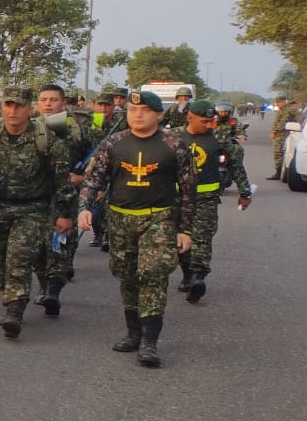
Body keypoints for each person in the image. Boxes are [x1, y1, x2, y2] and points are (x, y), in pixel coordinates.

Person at [76, 88, 196, 368]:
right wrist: (84, 207)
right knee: (127, 274)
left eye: (144, 111)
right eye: (132, 110)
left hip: (159, 218)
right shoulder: (113, 143)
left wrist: (185, 229)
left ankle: (150, 342)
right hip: (120, 219)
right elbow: (94, 179)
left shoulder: (173, 145)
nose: (137, 115)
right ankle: (133, 332)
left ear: (158, 114)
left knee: (152, 273)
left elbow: (189, 192)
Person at [0, 86, 74, 339]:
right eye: (8, 105)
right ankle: (11, 298)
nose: (13, 111)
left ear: (29, 109)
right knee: (1, 259)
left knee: (19, 256)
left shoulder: (45, 138)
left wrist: (64, 214)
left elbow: (62, 181)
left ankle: (15, 311)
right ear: (1, 107)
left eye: (19, 106)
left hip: (32, 208)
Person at [178, 100, 252, 302]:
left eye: (213, 121)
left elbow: (236, 165)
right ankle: (187, 273)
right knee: (179, 239)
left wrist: (245, 193)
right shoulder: (173, 136)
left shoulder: (220, 137)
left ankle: (197, 277)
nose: (211, 125)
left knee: (202, 238)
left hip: (206, 199)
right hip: (177, 199)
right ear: (190, 117)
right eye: (205, 121)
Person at [34, 82, 92, 315]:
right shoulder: (29, 128)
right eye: (44, 100)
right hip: (36, 198)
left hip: (65, 198)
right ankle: (43, 285)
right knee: (37, 248)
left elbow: (98, 161)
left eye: (53, 100)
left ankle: (53, 293)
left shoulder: (78, 130)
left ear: (63, 103)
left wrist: (82, 177)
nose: (48, 104)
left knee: (60, 244)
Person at [270, 97, 296, 180]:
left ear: (283, 102)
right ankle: (279, 171)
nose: (277, 104)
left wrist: (274, 131)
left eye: (278, 103)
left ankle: (280, 172)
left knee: (278, 153)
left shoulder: (286, 111)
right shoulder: (283, 110)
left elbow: (283, 123)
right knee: (279, 153)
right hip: (280, 134)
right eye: (276, 103)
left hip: (282, 134)